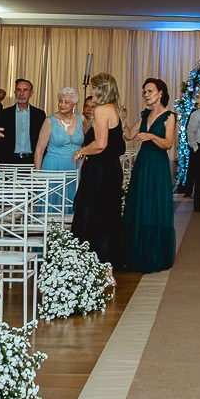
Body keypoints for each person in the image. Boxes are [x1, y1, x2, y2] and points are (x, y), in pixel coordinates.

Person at [121, 77, 177, 272]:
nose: (146, 95)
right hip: (143, 162)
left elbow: (168, 144)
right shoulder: (145, 115)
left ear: (160, 93)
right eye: (144, 92)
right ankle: (137, 252)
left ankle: (156, 253)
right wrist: (123, 116)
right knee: (140, 203)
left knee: (155, 204)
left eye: (150, 91)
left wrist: (152, 136)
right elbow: (128, 135)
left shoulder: (169, 116)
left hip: (158, 164)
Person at [70, 73, 125, 265]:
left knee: (93, 214)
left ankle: (94, 263)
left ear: (102, 89)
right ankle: (105, 265)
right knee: (106, 215)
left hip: (100, 171)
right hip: (109, 170)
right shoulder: (113, 109)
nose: (91, 91)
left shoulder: (102, 110)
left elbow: (101, 144)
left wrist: (81, 151)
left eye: (94, 87)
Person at [34, 85, 87, 207]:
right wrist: (38, 175)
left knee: (74, 201)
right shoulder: (49, 121)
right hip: (53, 167)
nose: (62, 104)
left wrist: (83, 160)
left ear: (74, 104)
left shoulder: (81, 119)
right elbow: (39, 150)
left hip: (75, 168)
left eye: (66, 102)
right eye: (60, 101)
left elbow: (88, 143)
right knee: (52, 204)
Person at [0, 77, 47, 167]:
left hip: (33, 162)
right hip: (8, 162)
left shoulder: (39, 115)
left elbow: (44, 140)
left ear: (31, 93)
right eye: (18, 90)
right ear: (15, 93)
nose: (21, 93)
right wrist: (1, 159)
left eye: (25, 90)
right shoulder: (4, 114)